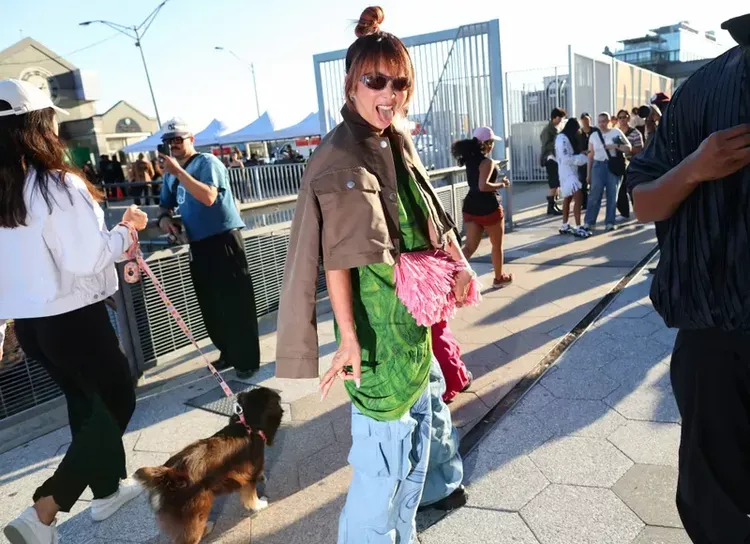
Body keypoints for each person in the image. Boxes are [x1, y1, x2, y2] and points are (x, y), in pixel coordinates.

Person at [275, 7, 470, 543]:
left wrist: (458, 264)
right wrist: (349, 338)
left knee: (419, 435)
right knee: (381, 464)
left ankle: (418, 515)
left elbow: (429, 210)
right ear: (351, 84)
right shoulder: (339, 157)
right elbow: (336, 259)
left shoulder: (394, 140)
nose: (390, 93)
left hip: (411, 324)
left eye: (399, 82)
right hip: (377, 340)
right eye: (375, 81)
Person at [0, 78, 149, 544]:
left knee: (86, 404)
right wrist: (127, 232)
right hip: (75, 318)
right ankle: (43, 511)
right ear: (38, 125)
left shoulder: (5, 190)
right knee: (117, 399)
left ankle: (106, 491)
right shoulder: (56, 184)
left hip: (32, 324)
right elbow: (87, 258)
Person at [627, 14, 750, 542]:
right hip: (715, 339)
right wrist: (696, 167)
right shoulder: (704, 87)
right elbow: (642, 201)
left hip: (713, 342)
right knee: (716, 504)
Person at [157, 118, 260, 380]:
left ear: (191, 139)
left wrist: (178, 172)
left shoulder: (206, 162)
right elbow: (164, 204)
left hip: (223, 239)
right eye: (168, 141)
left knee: (236, 303)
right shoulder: (171, 173)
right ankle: (227, 351)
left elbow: (209, 197)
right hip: (198, 244)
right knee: (211, 305)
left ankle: (246, 359)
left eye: (178, 139)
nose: (173, 145)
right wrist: (165, 219)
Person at [452, 126, 513, 287]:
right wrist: (502, 184)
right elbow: (483, 186)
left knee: (469, 248)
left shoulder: (469, 159)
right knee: (497, 246)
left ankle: (451, 277)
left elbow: (477, 184)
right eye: (492, 142)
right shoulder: (487, 162)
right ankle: (499, 278)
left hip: (471, 207)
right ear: (487, 143)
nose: (493, 145)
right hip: (489, 208)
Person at [584, 112, 631, 232]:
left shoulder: (616, 132)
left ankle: (610, 222)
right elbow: (590, 155)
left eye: (604, 121)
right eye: (600, 122)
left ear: (609, 121)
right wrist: (588, 174)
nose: (602, 124)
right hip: (598, 165)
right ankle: (589, 222)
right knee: (595, 194)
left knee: (612, 195)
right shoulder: (594, 135)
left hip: (613, 165)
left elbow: (628, 148)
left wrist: (615, 146)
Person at [555, 117, 590, 238]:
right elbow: (567, 158)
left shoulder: (564, 138)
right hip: (568, 173)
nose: (578, 131)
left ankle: (565, 225)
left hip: (568, 172)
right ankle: (579, 227)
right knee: (578, 197)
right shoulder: (562, 139)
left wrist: (581, 154)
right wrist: (582, 158)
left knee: (568, 197)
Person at [615, 109, 644, 218]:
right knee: (620, 190)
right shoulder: (616, 133)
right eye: (620, 117)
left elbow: (639, 149)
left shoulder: (635, 133)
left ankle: (639, 211)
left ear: (628, 118)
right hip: (619, 164)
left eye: (624, 117)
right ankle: (624, 213)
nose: (622, 119)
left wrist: (626, 149)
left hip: (632, 164)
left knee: (633, 190)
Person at [540, 108, 566, 215]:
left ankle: (553, 205)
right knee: (554, 183)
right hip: (550, 158)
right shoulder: (548, 130)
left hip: (555, 159)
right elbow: (546, 145)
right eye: (560, 118)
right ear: (555, 117)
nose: (561, 120)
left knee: (556, 183)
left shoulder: (555, 128)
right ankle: (550, 207)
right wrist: (557, 142)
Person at [577, 113, 595, 209]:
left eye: (587, 119)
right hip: (583, 161)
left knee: (594, 181)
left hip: (594, 159)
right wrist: (582, 151)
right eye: (583, 120)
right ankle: (584, 203)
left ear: (590, 119)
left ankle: (593, 201)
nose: (585, 121)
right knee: (582, 181)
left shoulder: (595, 131)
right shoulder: (579, 132)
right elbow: (576, 147)